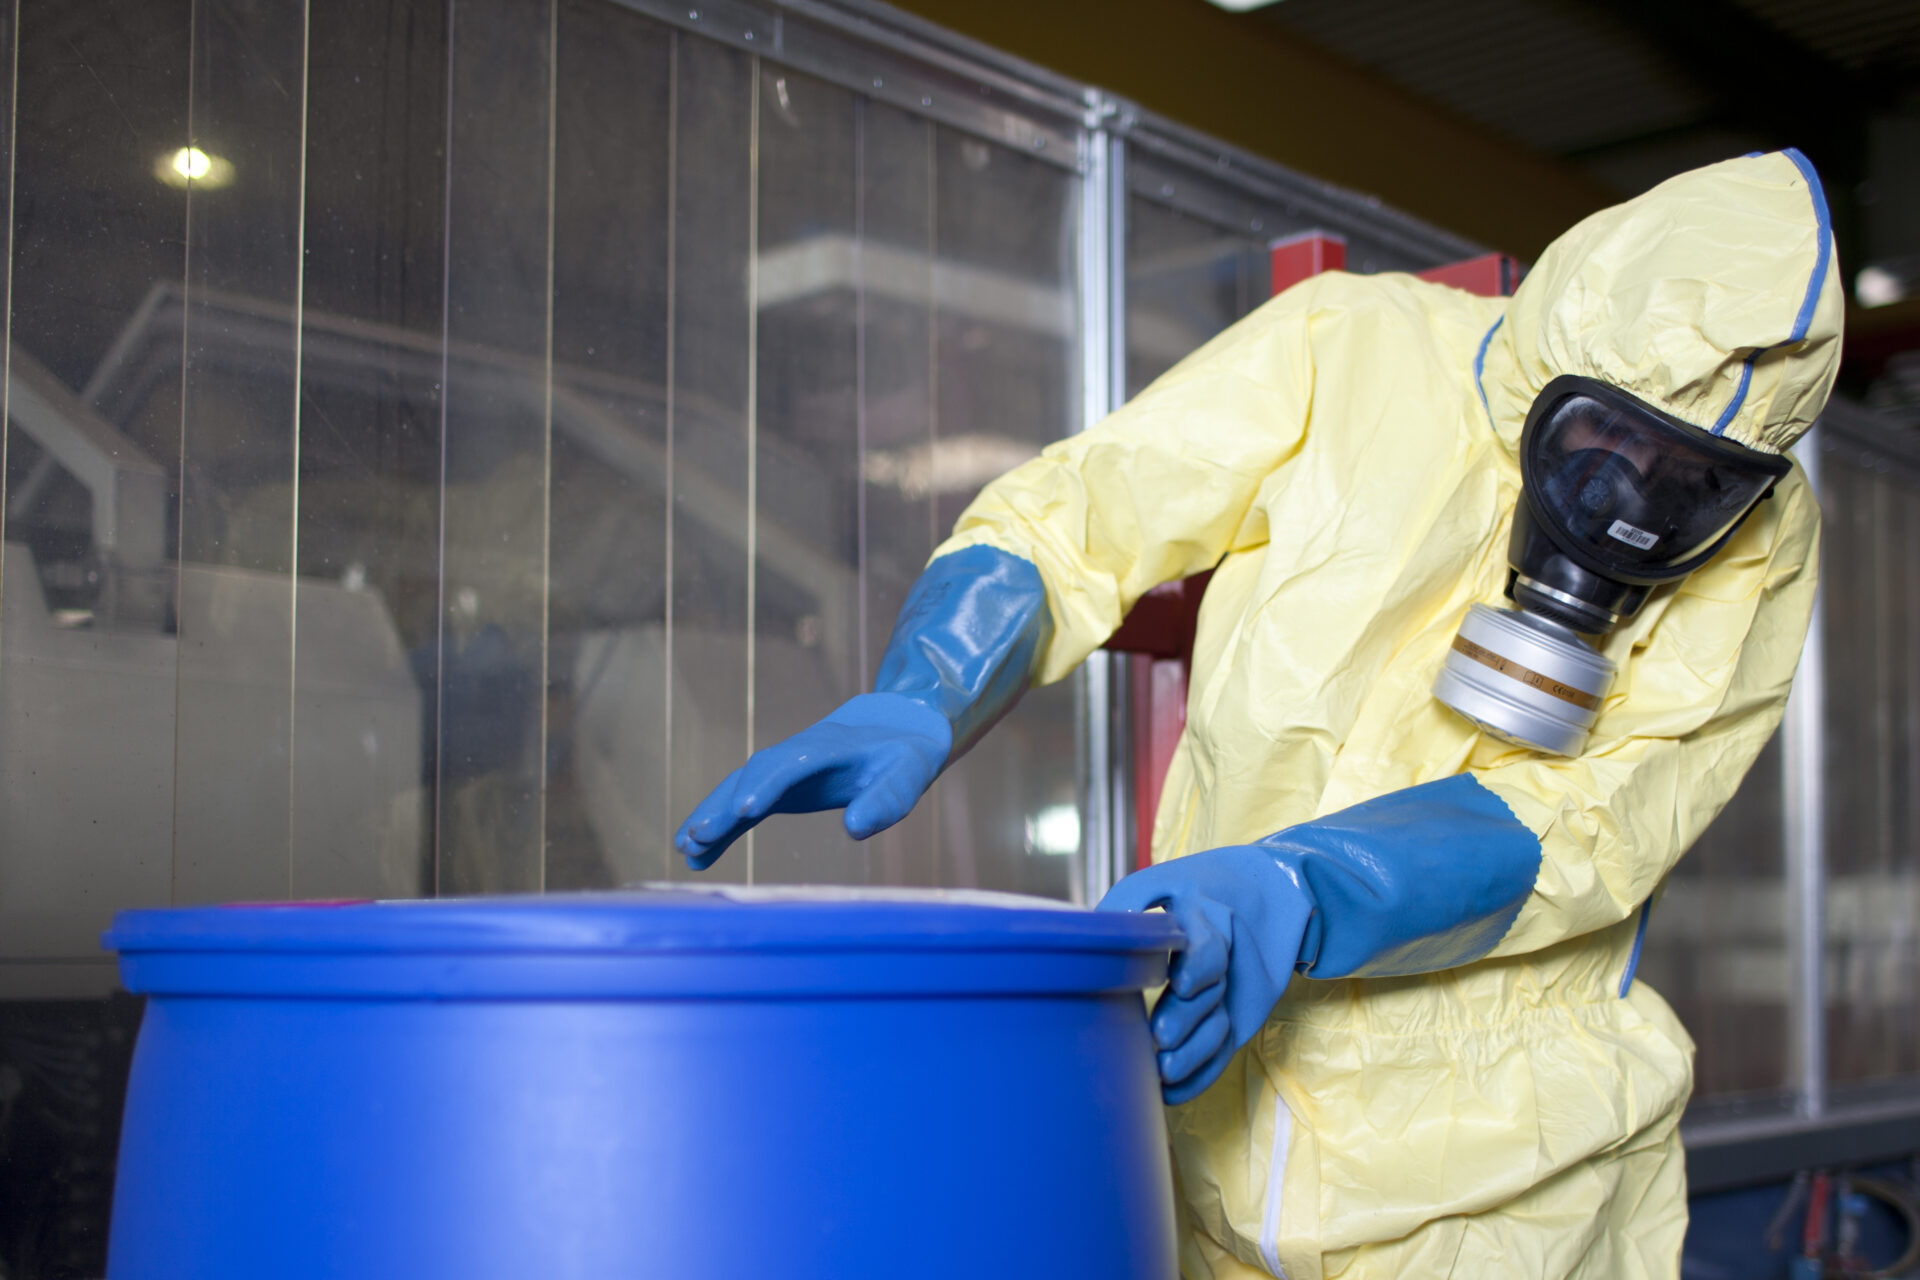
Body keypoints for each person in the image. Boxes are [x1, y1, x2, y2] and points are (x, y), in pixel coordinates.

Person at [676, 150, 1839, 1278]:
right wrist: (929, 679)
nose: (1630, 501)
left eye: (1691, 481)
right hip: (1208, 1108)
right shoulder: (1356, 349)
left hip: (1509, 1181)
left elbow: (1588, 817)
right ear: (1560, 356)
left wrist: (1304, 883)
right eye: (1607, 439)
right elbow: (1084, 514)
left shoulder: (1765, 541)